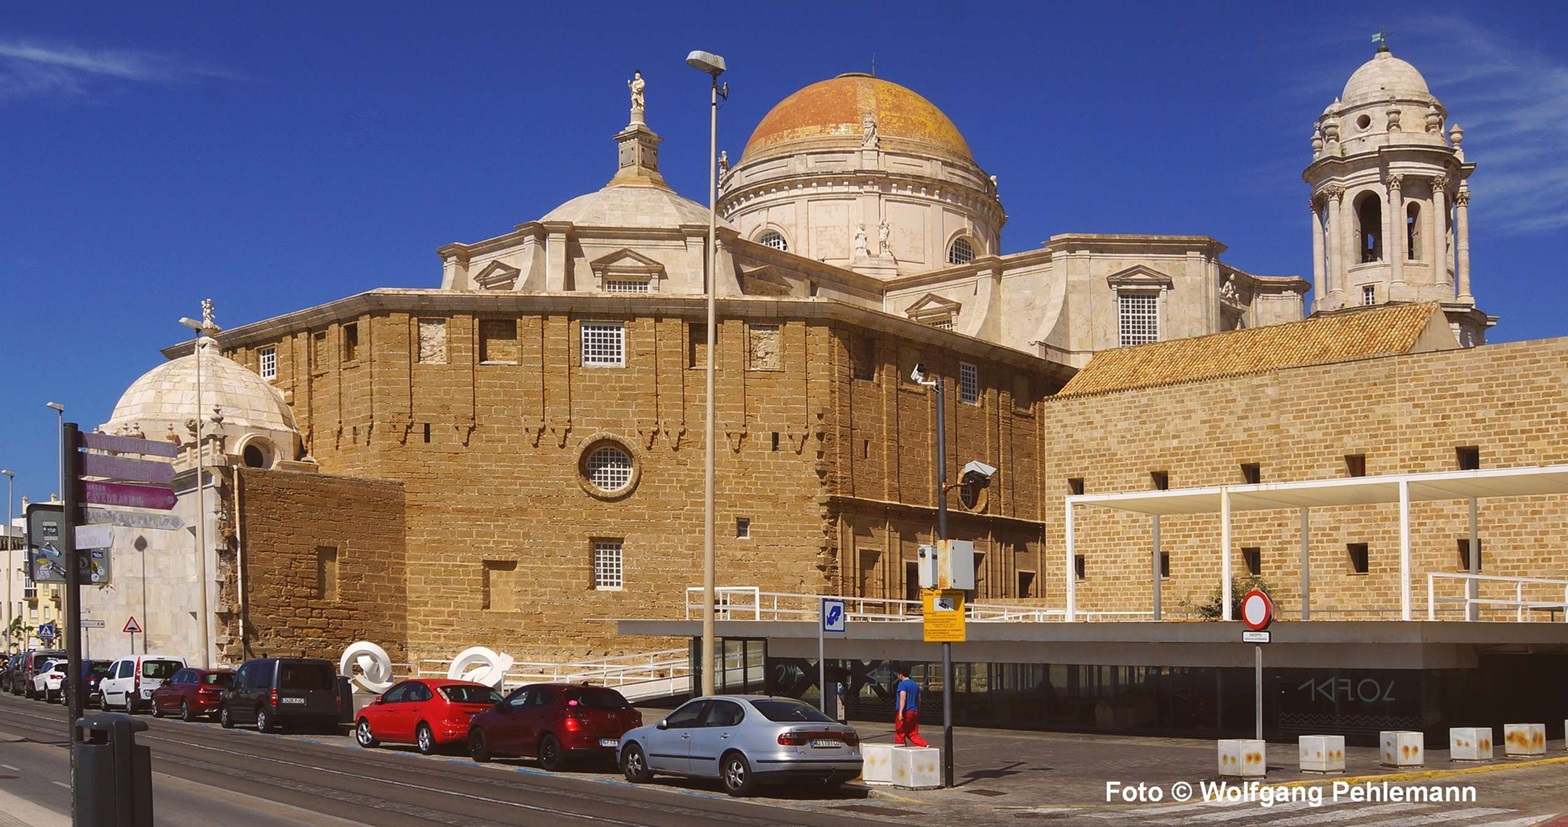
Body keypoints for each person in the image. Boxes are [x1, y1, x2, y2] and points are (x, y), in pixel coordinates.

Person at [893, 666, 927, 747]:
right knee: (913, 733)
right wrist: (918, 710)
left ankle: (900, 749)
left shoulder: (902, 684)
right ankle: (923, 744)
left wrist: (900, 712)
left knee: (900, 732)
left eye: (898, 674)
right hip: (914, 711)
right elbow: (919, 699)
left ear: (901, 675)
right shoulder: (915, 685)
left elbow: (902, 698)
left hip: (905, 711)